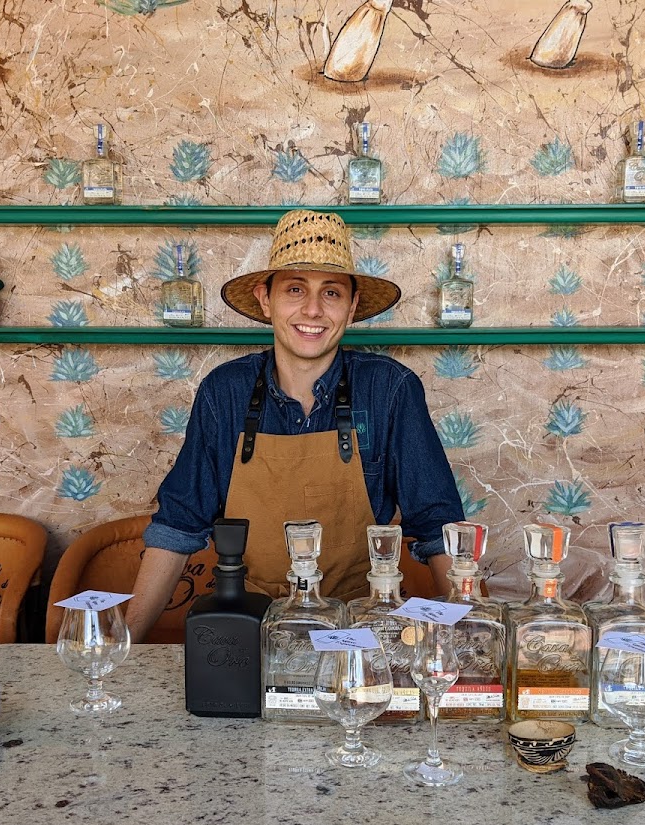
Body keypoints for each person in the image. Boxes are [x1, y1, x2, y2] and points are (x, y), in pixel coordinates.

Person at [126, 209, 465, 641]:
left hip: (360, 631)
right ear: (265, 300)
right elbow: (178, 525)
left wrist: (471, 638)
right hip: (251, 627)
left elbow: (439, 527)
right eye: (294, 289)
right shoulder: (224, 392)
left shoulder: (390, 389)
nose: (313, 309)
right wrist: (126, 641)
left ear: (352, 307)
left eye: (332, 292)